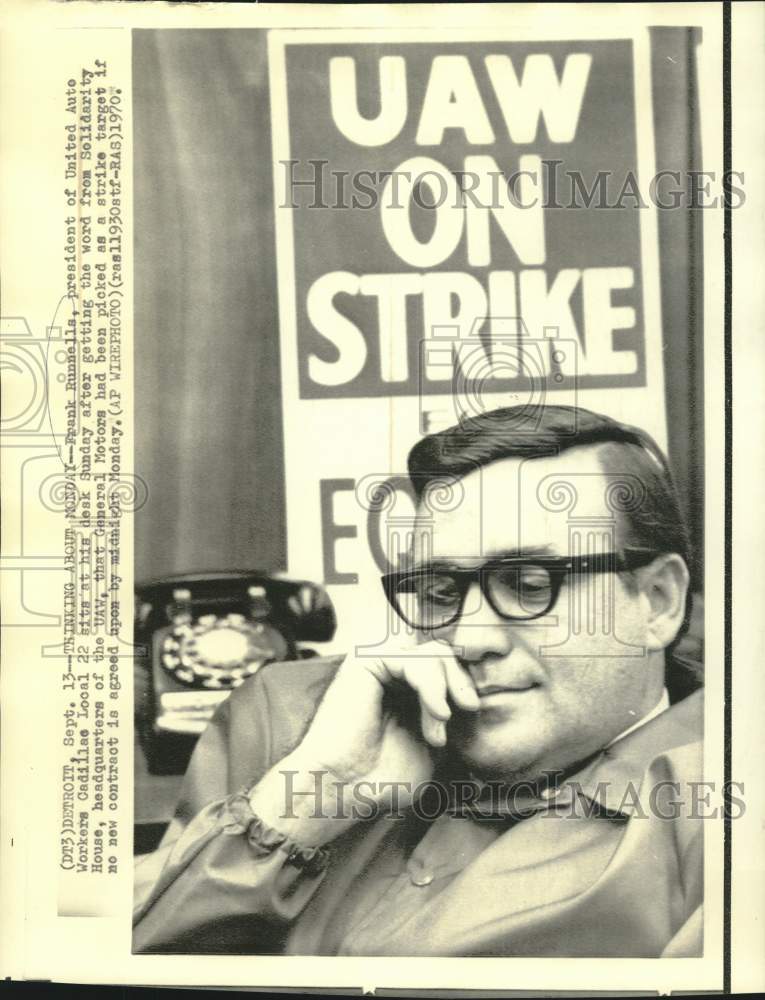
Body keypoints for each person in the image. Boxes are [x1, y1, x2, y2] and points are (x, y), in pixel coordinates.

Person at [133, 404, 704, 957]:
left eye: (531, 584)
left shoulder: (713, 818)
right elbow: (102, 966)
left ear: (657, 602)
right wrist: (308, 797)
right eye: (439, 591)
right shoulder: (284, 718)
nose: (470, 637)